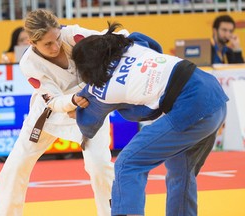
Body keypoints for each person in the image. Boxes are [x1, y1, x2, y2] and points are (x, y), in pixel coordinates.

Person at [71, 22, 228, 216]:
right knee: (181, 169)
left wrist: (75, 106)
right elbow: (154, 45)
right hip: (213, 94)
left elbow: (89, 124)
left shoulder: (101, 91)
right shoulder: (132, 45)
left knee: (128, 163)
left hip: (192, 108)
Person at [0, 9, 129, 216]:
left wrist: (125, 41)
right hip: (48, 114)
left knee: (99, 166)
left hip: (90, 109)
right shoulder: (29, 64)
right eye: (47, 44)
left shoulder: (74, 35)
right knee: (17, 164)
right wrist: (72, 101)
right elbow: (52, 100)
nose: (55, 47)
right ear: (32, 43)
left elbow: (113, 40)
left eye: (56, 38)